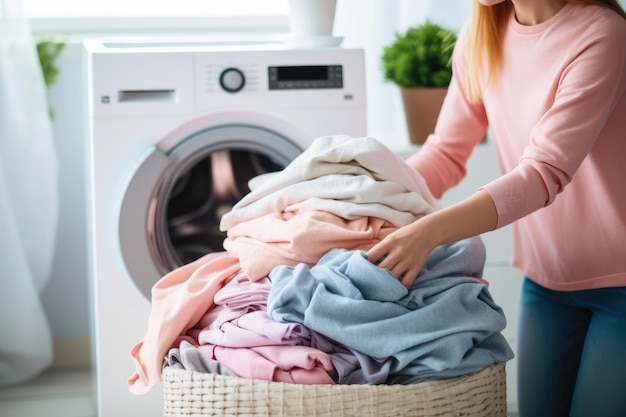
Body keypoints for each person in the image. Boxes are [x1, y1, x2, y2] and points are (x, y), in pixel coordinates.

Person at [366, 0, 626, 416]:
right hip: (547, 283)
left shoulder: (603, 34)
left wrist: (430, 231)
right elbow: (446, 153)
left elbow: (543, 174)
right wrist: (365, 198)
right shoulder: (482, 36)